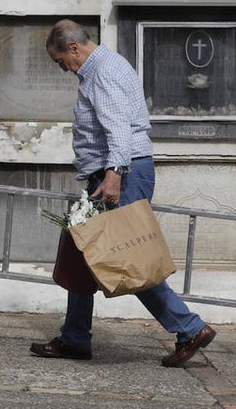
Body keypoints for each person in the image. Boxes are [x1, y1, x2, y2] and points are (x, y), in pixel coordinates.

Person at [29, 19, 215, 367]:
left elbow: (118, 129)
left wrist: (113, 175)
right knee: (83, 253)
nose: (63, 69)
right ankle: (75, 338)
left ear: (73, 48)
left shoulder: (102, 73)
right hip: (114, 172)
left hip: (119, 174)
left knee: (129, 256)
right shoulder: (107, 66)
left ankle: (189, 327)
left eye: (60, 61)